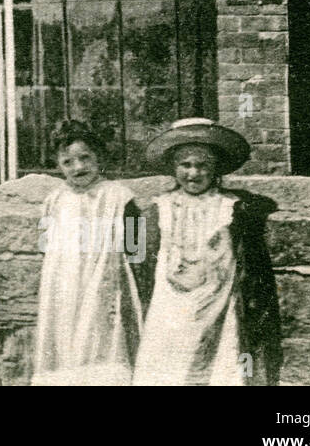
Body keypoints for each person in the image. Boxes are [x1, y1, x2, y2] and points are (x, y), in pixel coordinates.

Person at [132, 118, 281, 386]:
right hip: (170, 308)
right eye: (185, 165)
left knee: (220, 364)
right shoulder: (159, 210)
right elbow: (141, 262)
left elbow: (255, 252)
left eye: (203, 165)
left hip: (220, 305)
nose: (193, 173)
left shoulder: (232, 207)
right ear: (173, 168)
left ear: (216, 169)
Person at [32, 120, 146, 386]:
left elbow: (136, 249)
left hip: (104, 286)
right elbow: (45, 246)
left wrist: (118, 279)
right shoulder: (54, 200)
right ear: (58, 164)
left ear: (99, 157)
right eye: (68, 162)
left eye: (85, 158)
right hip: (64, 288)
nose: (78, 167)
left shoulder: (120, 197)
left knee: (101, 342)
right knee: (64, 343)